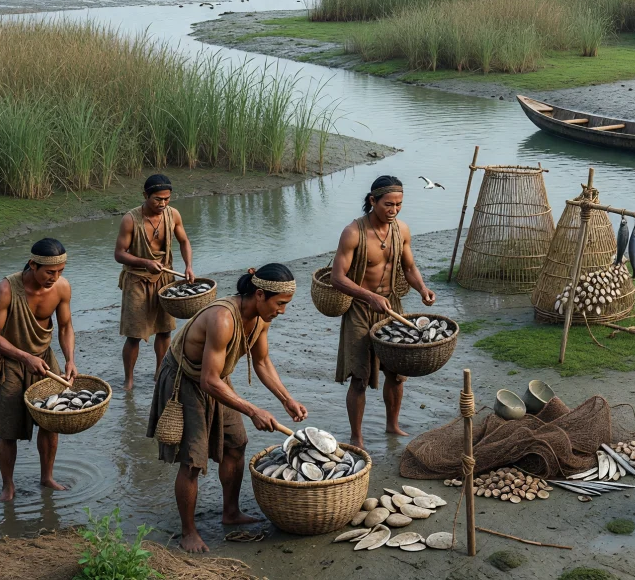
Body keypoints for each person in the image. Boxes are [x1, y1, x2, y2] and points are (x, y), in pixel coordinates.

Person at [147, 263, 308, 553]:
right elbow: (208, 381)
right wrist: (253, 410)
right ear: (259, 294)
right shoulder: (222, 318)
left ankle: (230, 513)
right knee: (192, 460)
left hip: (215, 379)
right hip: (185, 380)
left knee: (237, 443)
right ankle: (188, 532)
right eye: (280, 304)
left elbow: (261, 362)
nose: (282, 310)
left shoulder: (261, 318)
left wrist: (287, 399)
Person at [331, 175, 436, 449]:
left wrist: (422, 289)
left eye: (399, 204)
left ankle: (393, 424)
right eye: (388, 204)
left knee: (397, 373)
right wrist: (368, 295)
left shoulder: (402, 230)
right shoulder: (353, 232)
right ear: (372, 201)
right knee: (359, 377)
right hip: (360, 310)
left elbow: (409, 268)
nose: (394, 210)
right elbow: (337, 278)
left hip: (392, 308)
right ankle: (357, 437)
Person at [0, 238, 78, 503]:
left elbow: (65, 327)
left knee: (51, 421)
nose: (55, 277)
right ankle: (8, 486)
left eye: (60, 271)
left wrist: (70, 359)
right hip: (11, 363)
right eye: (49, 272)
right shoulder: (6, 289)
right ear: (33, 265)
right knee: (8, 430)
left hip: (45, 362)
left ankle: (46, 477)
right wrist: (24, 356)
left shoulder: (62, 288)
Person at [114, 174, 195, 391]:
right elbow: (119, 254)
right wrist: (144, 262)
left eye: (167, 199)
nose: (163, 204)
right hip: (137, 280)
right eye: (157, 199)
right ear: (145, 195)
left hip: (165, 279)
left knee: (164, 330)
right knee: (134, 335)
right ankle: (128, 380)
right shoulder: (131, 219)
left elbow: (184, 241)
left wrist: (188, 266)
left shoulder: (173, 215)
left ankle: (160, 373)